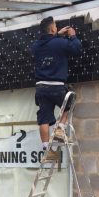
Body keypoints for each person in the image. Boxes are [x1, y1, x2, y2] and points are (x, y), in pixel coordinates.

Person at [31, 16, 81, 160]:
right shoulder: (61, 43)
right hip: (56, 86)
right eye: (55, 26)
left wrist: (56, 36)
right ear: (53, 28)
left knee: (44, 119)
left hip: (41, 88)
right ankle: (60, 129)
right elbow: (77, 49)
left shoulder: (36, 46)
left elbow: (45, 43)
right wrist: (72, 36)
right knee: (70, 101)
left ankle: (47, 151)